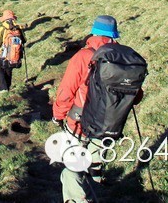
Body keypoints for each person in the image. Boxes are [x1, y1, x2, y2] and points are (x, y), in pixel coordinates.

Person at [52, 15, 141, 203]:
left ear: (94, 32)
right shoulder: (121, 58)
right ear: (114, 35)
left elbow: (66, 91)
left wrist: (58, 115)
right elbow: (136, 95)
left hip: (79, 122)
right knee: (94, 162)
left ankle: (78, 199)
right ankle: (95, 192)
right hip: (109, 124)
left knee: (72, 168)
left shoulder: (83, 56)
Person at [0, 9, 25, 93]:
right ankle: (7, 87)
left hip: (4, 54)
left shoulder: (3, 28)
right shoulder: (18, 28)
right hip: (16, 54)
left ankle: (3, 89)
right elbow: (24, 40)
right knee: (9, 69)